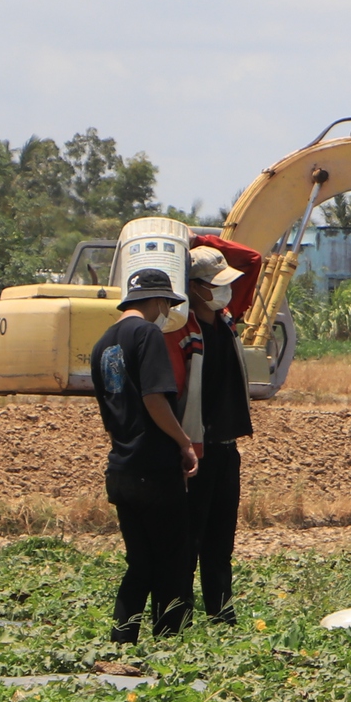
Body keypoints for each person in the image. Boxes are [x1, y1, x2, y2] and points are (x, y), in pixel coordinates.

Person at [92, 267, 200, 642]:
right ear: (156, 300)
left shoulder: (103, 343)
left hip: (121, 468)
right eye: (167, 304)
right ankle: (170, 643)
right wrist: (184, 443)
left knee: (140, 564)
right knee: (172, 560)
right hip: (154, 469)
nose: (166, 311)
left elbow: (110, 413)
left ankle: (122, 641)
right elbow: (154, 398)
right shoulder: (147, 334)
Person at [176, 235, 261, 625]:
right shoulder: (182, 330)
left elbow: (254, 260)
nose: (225, 289)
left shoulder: (228, 319)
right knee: (188, 540)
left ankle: (221, 614)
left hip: (227, 449)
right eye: (215, 283)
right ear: (193, 287)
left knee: (221, 541)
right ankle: (179, 616)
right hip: (198, 449)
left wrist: (198, 238)